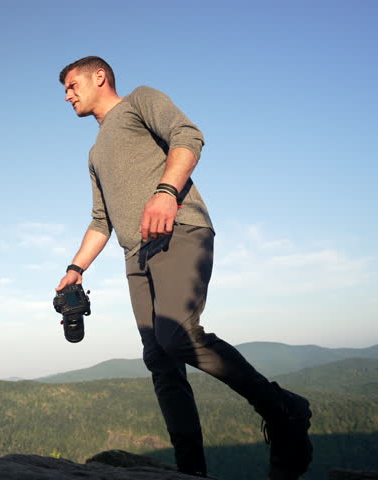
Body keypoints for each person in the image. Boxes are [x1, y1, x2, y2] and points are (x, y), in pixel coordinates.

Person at [54, 56, 313, 479]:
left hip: (177, 231)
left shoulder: (140, 100)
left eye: (71, 85)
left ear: (99, 76)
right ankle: (190, 471)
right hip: (135, 253)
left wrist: (166, 191)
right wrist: (75, 268)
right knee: (159, 358)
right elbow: (101, 220)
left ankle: (284, 410)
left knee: (176, 337)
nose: (67, 95)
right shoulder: (94, 152)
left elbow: (188, 135)